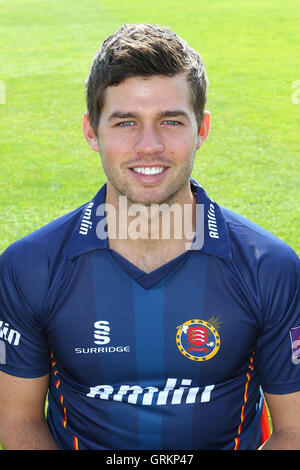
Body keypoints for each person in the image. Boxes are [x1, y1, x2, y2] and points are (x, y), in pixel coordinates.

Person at [0, 23, 299, 451]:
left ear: (202, 129)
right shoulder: (29, 266)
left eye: (171, 121)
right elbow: (18, 420)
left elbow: (293, 429)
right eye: (125, 123)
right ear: (91, 131)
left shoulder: (270, 267)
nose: (149, 145)